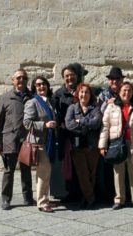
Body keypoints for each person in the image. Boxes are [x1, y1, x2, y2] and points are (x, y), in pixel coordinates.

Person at [99, 81, 133, 210]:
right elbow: (105, 127)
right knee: (118, 172)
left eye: (129, 90)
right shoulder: (112, 106)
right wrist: (102, 145)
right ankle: (119, 199)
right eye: (124, 91)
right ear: (119, 92)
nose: (126, 93)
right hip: (117, 144)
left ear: (132, 92)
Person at [0, 69, 34, 210]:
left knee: (26, 170)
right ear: (13, 80)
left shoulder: (31, 97)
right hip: (9, 140)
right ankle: (6, 199)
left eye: (24, 78)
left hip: (26, 140)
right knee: (8, 171)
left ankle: (28, 198)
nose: (21, 80)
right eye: (18, 78)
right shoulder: (5, 98)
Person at [65, 83, 102, 210]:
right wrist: (87, 126)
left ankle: (86, 198)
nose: (84, 95)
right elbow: (69, 125)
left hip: (92, 146)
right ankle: (90, 198)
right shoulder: (72, 108)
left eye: (86, 92)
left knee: (92, 174)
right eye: (81, 92)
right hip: (78, 147)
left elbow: (96, 123)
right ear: (78, 94)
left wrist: (80, 121)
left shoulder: (95, 108)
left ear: (90, 95)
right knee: (82, 174)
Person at [52, 64, 86, 203]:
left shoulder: (82, 90)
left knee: (81, 164)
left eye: (72, 74)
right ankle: (68, 193)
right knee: (67, 165)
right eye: (66, 75)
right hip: (66, 135)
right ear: (63, 78)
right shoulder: (59, 94)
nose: (69, 77)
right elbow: (55, 112)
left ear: (76, 76)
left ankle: (82, 193)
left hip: (81, 133)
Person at [23, 76, 57, 212]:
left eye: (43, 84)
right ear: (34, 88)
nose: (41, 87)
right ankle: (42, 203)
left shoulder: (48, 102)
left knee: (46, 171)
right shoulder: (32, 102)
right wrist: (45, 124)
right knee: (43, 172)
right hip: (39, 143)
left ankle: (45, 199)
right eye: (38, 85)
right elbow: (26, 123)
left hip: (48, 141)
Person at [96, 66, 125, 201]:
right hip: (108, 135)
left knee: (122, 165)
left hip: (122, 135)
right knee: (108, 166)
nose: (114, 81)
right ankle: (109, 195)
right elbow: (97, 113)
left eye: (117, 79)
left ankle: (123, 194)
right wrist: (107, 104)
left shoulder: (125, 92)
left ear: (121, 80)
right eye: (112, 79)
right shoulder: (103, 95)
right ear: (109, 81)